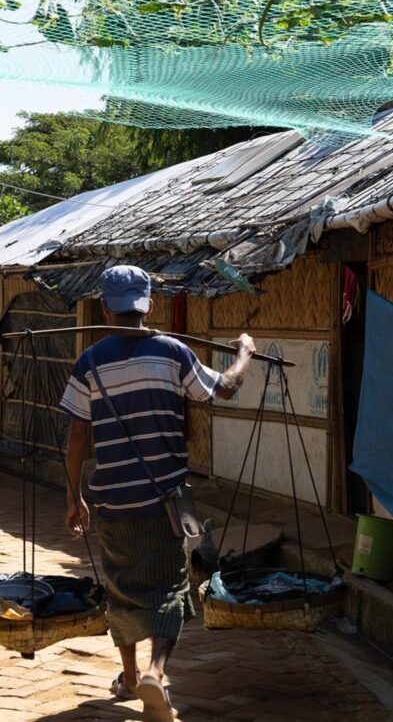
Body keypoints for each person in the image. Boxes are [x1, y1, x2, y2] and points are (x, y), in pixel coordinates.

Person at [59, 266, 254, 722]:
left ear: (105, 307)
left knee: (121, 588)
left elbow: (77, 435)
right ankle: (155, 672)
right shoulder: (172, 353)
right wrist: (244, 352)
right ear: (148, 305)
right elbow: (224, 388)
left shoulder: (90, 362)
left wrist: (73, 496)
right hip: (165, 500)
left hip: (112, 500)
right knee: (169, 587)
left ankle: (129, 677)